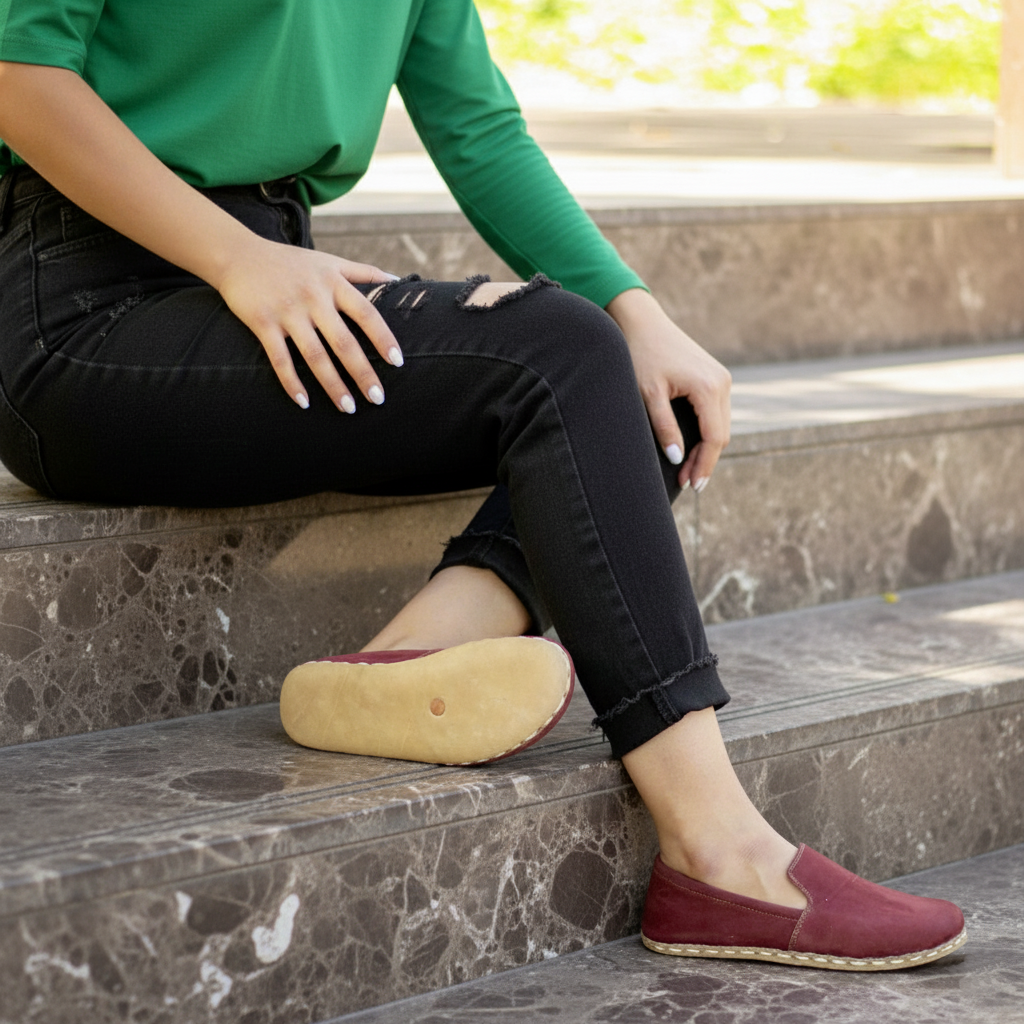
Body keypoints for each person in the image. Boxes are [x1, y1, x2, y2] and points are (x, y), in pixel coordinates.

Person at [0, 0, 964, 971]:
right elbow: (18, 73)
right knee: (569, 350)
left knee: (648, 394)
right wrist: (239, 258)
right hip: (85, 309)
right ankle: (721, 852)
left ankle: (398, 663)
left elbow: (478, 128)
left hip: (274, 277)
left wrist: (638, 307)